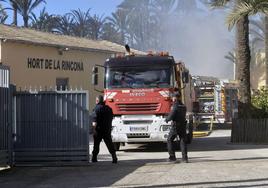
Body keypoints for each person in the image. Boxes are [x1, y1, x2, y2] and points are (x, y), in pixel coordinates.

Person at [91, 95, 118, 163]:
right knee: (109, 144)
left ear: (97, 101)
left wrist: (94, 130)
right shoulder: (109, 108)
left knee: (96, 145)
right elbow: (111, 118)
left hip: (99, 130)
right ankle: (114, 157)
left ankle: (94, 158)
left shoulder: (96, 109)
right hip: (107, 130)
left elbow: (94, 121)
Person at [165, 92, 188, 163]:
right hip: (183, 125)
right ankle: (184, 158)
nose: (172, 99)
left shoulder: (175, 105)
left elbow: (172, 115)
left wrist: (167, 119)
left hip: (176, 126)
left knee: (169, 139)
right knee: (183, 141)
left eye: (172, 98)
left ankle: (172, 157)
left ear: (175, 98)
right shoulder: (183, 106)